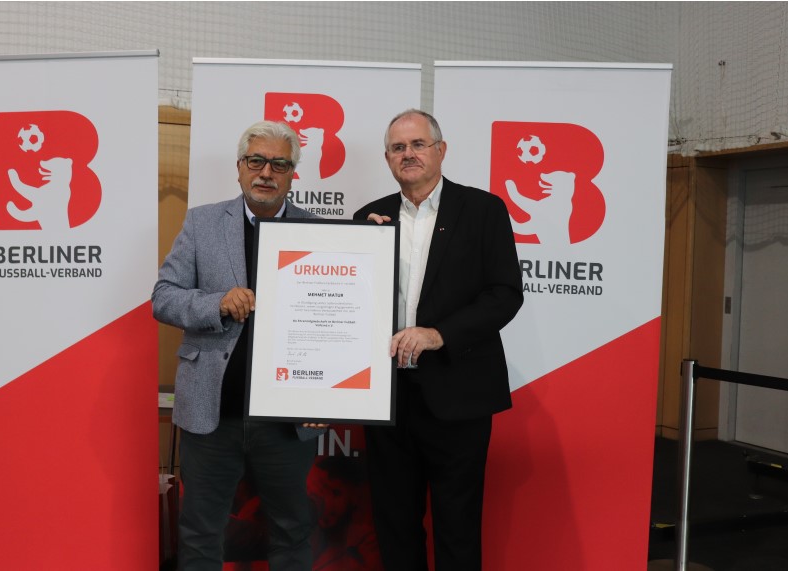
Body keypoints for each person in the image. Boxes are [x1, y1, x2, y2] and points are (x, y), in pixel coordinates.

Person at [353, 109, 524, 571]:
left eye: (418, 144)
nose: (408, 154)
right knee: (394, 524)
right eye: (398, 147)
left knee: (458, 527)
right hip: (387, 398)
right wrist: (363, 248)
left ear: (441, 151)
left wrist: (438, 335)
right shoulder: (370, 216)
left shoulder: (483, 210)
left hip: (458, 393)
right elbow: (352, 304)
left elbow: (505, 294)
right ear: (387, 158)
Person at [153, 120, 326, 571]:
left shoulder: (320, 232)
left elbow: (338, 320)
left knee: (292, 533)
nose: (266, 172)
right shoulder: (203, 222)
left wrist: (326, 395)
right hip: (212, 414)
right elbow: (164, 297)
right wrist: (216, 304)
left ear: (293, 174)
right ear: (239, 167)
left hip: (287, 421)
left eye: (279, 164)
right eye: (256, 161)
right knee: (200, 534)